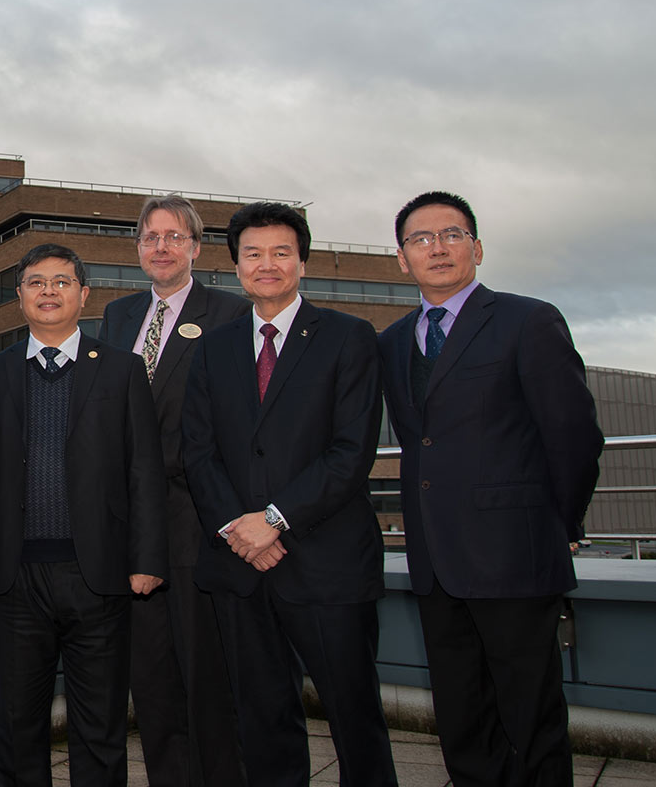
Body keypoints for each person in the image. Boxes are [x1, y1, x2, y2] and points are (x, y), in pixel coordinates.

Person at [378, 190, 603, 787]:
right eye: (420, 240)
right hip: (435, 562)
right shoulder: (394, 342)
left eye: (452, 235)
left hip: (515, 554)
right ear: (402, 259)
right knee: (461, 716)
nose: (438, 248)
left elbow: (574, 435)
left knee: (531, 717)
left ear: (476, 247)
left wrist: (561, 523)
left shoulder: (528, 320)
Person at [181, 202, 397, 787]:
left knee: (354, 715)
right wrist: (238, 529)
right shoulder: (216, 346)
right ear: (236, 266)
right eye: (253, 254)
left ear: (302, 260)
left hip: (326, 563)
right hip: (241, 566)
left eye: (281, 252)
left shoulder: (349, 338)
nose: (267, 264)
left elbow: (352, 452)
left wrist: (274, 520)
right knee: (262, 718)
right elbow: (197, 450)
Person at [0, 243, 166, 787]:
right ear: (19, 296)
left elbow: (143, 469)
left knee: (100, 727)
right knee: (18, 725)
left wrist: (146, 558)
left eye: (62, 282)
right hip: (14, 576)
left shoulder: (122, 370)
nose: (49, 292)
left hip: (98, 575)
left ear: (84, 294)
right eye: (36, 283)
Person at [99, 195, 247, 787]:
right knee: (151, 684)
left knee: (206, 682)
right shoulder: (116, 316)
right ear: (138, 248)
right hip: (130, 528)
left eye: (174, 237)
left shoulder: (231, 315)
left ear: (195, 248)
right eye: (150, 237)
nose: (161, 247)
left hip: (194, 523)